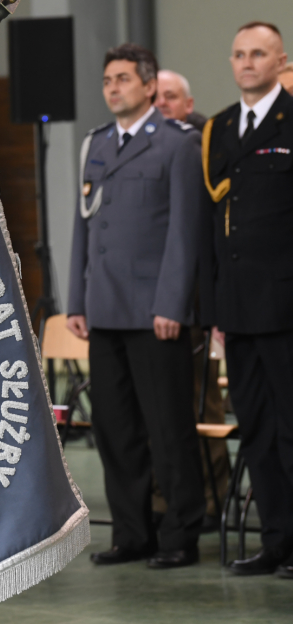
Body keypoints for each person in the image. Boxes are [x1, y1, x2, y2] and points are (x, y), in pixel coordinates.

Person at [67, 43, 205, 569]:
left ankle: (179, 534)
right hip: (103, 311)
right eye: (107, 80)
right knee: (115, 429)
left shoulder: (176, 145)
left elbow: (183, 237)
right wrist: (77, 299)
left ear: (149, 86)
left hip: (155, 314)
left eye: (123, 78)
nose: (113, 88)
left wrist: (172, 304)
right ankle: (132, 533)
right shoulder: (96, 145)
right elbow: (84, 228)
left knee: (168, 428)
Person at [201, 21, 293, 578]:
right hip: (237, 310)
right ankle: (276, 542)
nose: (247, 62)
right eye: (238, 53)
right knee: (256, 428)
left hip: (286, 308)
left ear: (281, 60)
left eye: (258, 53)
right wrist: (213, 308)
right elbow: (214, 225)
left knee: (292, 428)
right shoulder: (219, 128)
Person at [153, 68, 229, 524]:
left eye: (170, 97)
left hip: (200, 300)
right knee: (163, 412)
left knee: (206, 404)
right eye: (156, 97)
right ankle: (170, 501)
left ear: (188, 103)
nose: (162, 104)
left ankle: (215, 499)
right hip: (153, 301)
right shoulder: (148, 145)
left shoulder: (208, 147)